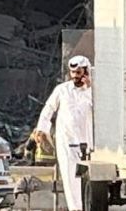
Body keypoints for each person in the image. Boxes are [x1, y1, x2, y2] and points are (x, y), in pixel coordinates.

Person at [33, 55, 93, 211]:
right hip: (67, 141)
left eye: (79, 72)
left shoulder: (94, 92)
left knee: (90, 180)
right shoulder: (62, 90)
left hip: (88, 143)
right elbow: (49, 109)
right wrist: (41, 129)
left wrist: (90, 89)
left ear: (86, 72)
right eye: (73, 72)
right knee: (70, 177)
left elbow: (100, 108)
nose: (75, 76)